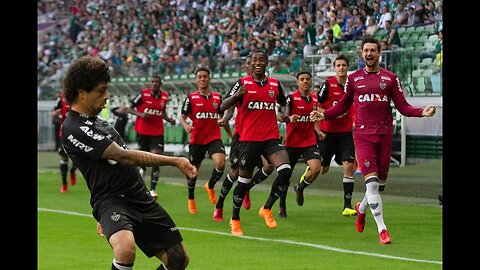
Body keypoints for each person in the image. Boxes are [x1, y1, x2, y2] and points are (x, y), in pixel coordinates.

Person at [61, 55, 197, 270]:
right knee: (125, 249)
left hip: (139, 198)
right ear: (81, 92)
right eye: (101, 90)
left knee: (179, 259)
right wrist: (175, 161)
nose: (107, 96)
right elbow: (122, 156)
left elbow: (124, 162)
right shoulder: (73, 128)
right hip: (112, 200)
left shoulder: (101, 123)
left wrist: (143, 189)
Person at [310, 37, 436, 245]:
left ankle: (361, 208)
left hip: (385, 135)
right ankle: (382, 229)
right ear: (362, 53)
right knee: (371, 183)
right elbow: (342, 106)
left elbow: (403, 106)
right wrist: (324, 115)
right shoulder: (354, 79)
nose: (369, 54)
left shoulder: (390, 78)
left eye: (372, 51)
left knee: (379, 185)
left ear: (379, 53)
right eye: (365, 51)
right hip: (362, 136)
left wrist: (422, 112)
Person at [221, 50, 292, 236]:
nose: (258, 62)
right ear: (250, 64)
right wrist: (237, 96)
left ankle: (266, 208)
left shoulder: (275, 84)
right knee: (243, 182)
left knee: (285, 170)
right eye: (255, 60)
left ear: (267, 63)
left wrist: (284, 113)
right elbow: (221, 106)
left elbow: (284, 102)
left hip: (270, 139)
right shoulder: (242, 83)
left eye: (262, 59)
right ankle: (235, 219)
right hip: (248, 141)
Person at [213, 55, 274, 222]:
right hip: (243, 136)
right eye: (249, 63)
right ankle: (219, 205)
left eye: (255, 62)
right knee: (234, 172)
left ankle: (246, 187)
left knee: (269, 166)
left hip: (263, 136)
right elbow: (230, 107)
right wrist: (226, 117)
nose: (253, 65)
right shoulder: (241, 85)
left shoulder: (267, 84)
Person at [180, 67, 232, 214]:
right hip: (197, 139)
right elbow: (182, 117)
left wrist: (230, 135)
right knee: (193, 171)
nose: (202, 79)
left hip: (213, 138)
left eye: (205, 77)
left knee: (221, 163)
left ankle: (210, 185)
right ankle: (191, 198)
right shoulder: (191, 98)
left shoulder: (217, 98)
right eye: (200, 77)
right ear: (196, 80)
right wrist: (186, 126)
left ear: (209, 78)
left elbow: (223, 118)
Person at [276, 71, 323, 217]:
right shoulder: (291, 99)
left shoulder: (315, 99)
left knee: (316, 169)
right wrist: (288, 118)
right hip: (292, 143)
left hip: (309, 141)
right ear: (297, 83)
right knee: (285, 176)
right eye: (302, 79)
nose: (305, 82)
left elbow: (314, 118)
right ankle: (282, 206)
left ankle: (300, 187)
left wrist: (318, 130)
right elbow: (279, 115)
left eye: (308, 79)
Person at [316, 54, 357, 217]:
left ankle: (347, 205)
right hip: (328, 133)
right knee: (322, 169)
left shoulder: (352, 85)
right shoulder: (328, 85)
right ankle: (304, 181)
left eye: (344, 65)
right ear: (334, 68)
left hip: (345, 133)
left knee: (348, 166)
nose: (341, 68)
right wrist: (329, 113)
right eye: (338, 65)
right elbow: (316, 106)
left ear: (347, 68)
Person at [128, 75, 176, 200]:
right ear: (150, 83)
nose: (155, 84)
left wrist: (169, 119)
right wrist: (140, 114)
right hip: (143, 131)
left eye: (157, 82)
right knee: (143, 161)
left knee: (156, 158)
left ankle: (153, 190)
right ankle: (138, 186)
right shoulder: (143, 94)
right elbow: (130, 108)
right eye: (153, 82)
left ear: (161, 83)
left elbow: (162, 111)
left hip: (157, 132)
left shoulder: (165, 96)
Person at [52, 91, 77, 193]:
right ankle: (64, 184)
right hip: (64, 132)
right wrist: (56, 114)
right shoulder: (60, 99)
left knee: (78, 157)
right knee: (63, 157)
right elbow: (53, 113)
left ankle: (72, 171)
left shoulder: (79, 97)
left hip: (77, 131)